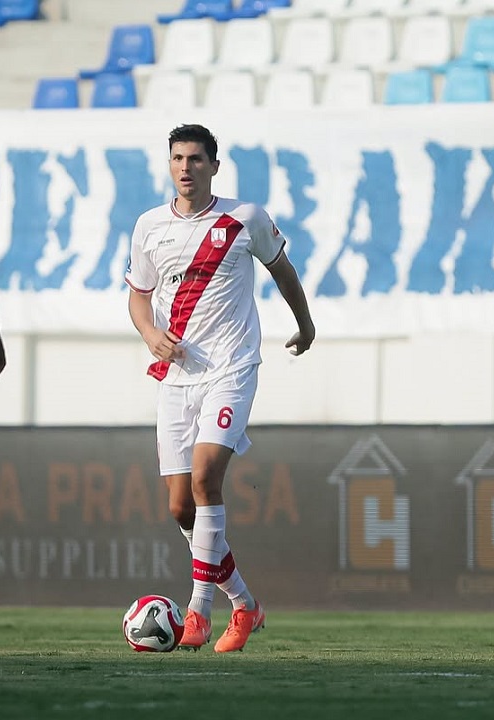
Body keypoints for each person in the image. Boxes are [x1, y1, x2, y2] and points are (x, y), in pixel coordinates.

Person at [125, 124, 315, 653]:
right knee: (181, 508)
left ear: (214, 165)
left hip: (231, 368)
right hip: (177, 376)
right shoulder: (149, 227)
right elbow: (139, 296)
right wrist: (148, 333)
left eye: (195, 159)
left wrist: (305, 322)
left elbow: (283, 269)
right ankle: (245, 604)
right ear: (169, 165)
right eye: (177, 159)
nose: (185, 168)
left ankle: (197, 612)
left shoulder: (244, 218)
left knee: (208, 476)